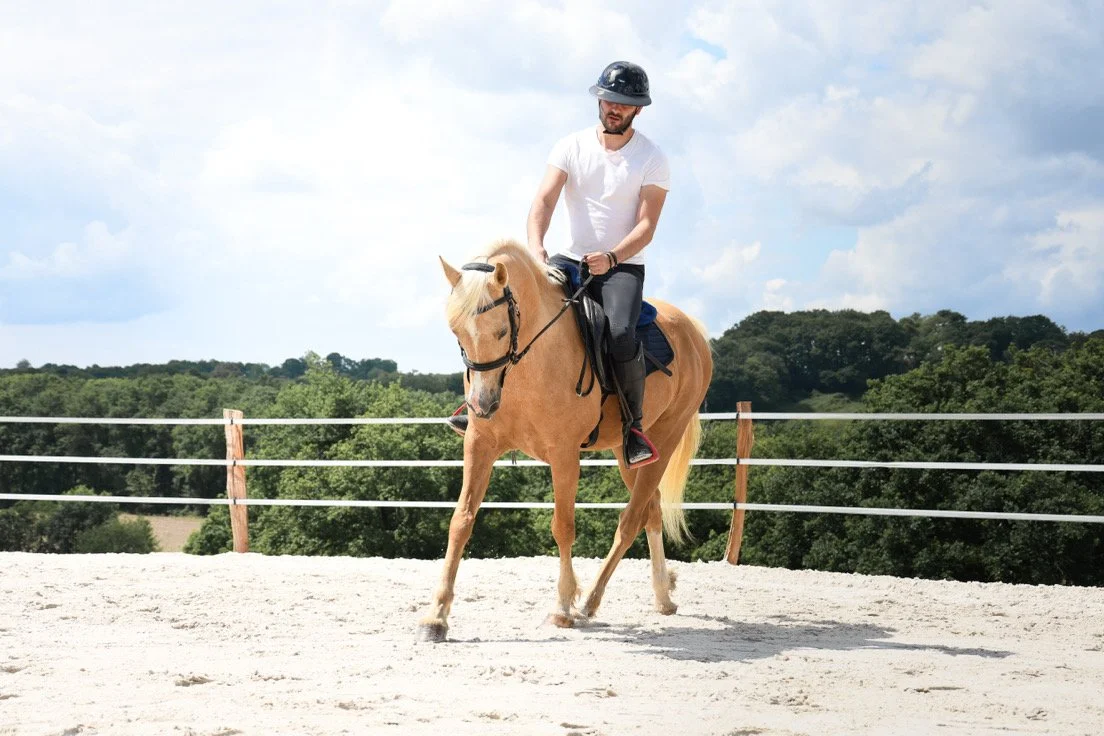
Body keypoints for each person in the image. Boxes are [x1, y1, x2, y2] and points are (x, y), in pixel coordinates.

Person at [450, 60, 670, 469]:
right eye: (608, 100)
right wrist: (537, 248)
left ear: (638, 109)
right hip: (569, 259)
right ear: (600, 100)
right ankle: (476, 404)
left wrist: (614, 257)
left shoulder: (652, 158)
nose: (614, 109)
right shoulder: (570, 146)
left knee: (621, 333)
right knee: (507, 313)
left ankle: (633, 428)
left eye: (624, 104)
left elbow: (647, 224)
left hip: (621, 266)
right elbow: (545, 201)